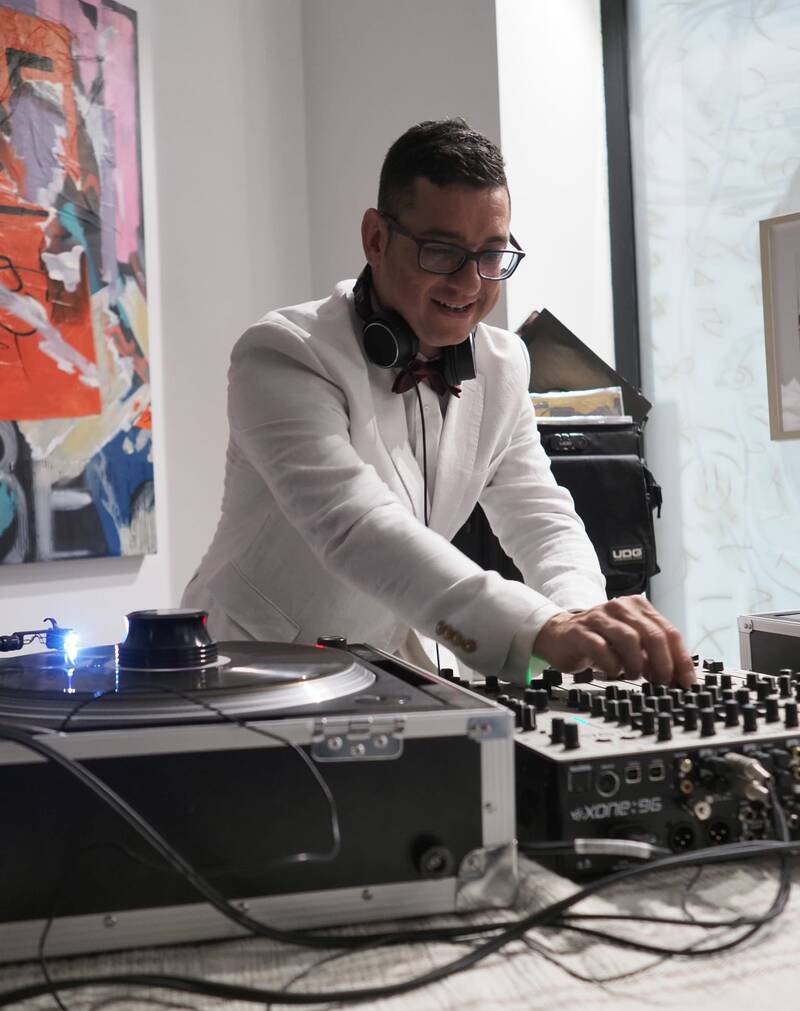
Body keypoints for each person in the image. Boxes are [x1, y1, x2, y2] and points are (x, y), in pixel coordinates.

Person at [182, 118, 694, 688]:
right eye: (442, 252)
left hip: (385, 667)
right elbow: (355, 526)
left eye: (491, 255)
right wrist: (539, 629)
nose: (469, 283)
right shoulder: (283, 354)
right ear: (376, 239)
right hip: (253, 671)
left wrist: (583, 616)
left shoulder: (503, 364)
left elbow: (540, 515)